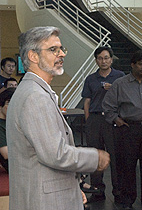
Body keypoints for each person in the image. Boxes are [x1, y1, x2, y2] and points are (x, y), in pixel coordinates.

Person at [6, 26, 110, 210]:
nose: (61, 54)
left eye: (61, 49)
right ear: (33, 56)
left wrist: (71, 188)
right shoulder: (34, 96)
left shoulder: (34, 90)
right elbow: (56, 154)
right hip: (44, 201)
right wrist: (95, 157)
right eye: (53, 49)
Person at [103, 51, 142, 210]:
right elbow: (108, 106)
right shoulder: (120, 84)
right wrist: (117, 120)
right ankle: (127, 200)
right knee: (127, 166)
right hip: (128, 129)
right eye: (141, 65)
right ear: (133, 65)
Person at [81, 46, 124, 202]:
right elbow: (87, 100)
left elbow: (125, 97)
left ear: (111, 59)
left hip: (113, 119)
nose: (103, 61)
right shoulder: (91, 79)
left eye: (106, 58)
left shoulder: (120, 77)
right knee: (95, 156)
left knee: (116, 156)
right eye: (100, 58)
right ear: (96, 60)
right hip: (95, 119)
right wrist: (88, 120)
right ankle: (98, 190)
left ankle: (118, 191)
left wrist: (113, 89)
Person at [0, 88, 15, 173]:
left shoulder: (12, 122)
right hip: (13, 165)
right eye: (9, 103)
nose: (12, 106)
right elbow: (6, 154)